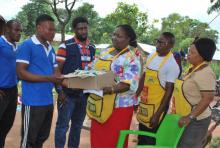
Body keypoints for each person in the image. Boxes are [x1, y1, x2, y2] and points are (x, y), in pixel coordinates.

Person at [88, 24, 142, 148]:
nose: (114, 38)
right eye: (114, 34)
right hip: (100, 105)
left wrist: (111, 89)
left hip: (119, 108)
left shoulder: (132, 57)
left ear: (128, 39)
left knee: (114, 141)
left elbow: (129, 83)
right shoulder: (106, 52)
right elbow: (91, 67)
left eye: (119, 36)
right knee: (97, 140)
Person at [16, 14, 62, 148]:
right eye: (50, 29)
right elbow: (21, 72)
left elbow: (56, 73)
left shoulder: (50, 48)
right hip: (33, 101)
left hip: (48, 101)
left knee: (41, 137)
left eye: (54, 30)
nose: (53, 33)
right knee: (28, 140)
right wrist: (49, 78)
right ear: (39, 28)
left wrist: (62, 88)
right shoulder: (27, 46)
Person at [55, 16, 96, 148]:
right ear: (74, 30)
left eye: (85, 28)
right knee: (62, 126)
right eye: (80, 29)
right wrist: (60, 91)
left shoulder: (92, 47)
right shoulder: (66, 46)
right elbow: (56, 72)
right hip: (67, 95)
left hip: (84, 95)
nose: (83, 31)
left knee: (77, 127)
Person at [172, 38, 216, 148]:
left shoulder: (205, 73)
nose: (188, 54)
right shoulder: (193, 68)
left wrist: (189, 117)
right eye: (189, 51)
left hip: (196, 120)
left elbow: (208, 98)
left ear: (202, 55)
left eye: (192, 52)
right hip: (184, 115)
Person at [136, 32, 180, 145]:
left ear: (170, 46)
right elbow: (144, 77)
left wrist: (157, 114)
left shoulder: (172, 65)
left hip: (157, 108)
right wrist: (135, 96)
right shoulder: (152, 56)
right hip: (145, 103)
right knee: (141, 134)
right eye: (157, 41)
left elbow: (169, 92)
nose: (158, 44)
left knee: (150, 138)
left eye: (162, 42)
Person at [0, 20, 22, 148]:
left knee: (6, 126)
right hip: (1, 91)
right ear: (7, 29)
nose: (19, 33)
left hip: (12, 91)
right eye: (16, 30)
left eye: (20, 31)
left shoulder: (17, 47)